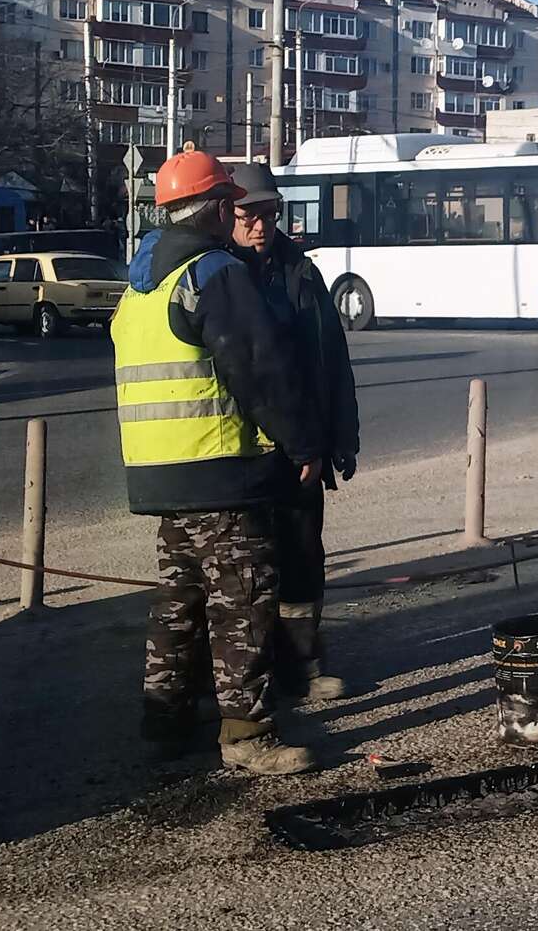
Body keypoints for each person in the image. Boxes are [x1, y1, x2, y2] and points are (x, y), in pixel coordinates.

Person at [112, 149, 324, 776]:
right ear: (217, 208)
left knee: (178, 601)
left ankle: (166, 720)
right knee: (242, 602)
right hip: (220, 471)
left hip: (158, 472)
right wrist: (303, 444)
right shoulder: (214, 274)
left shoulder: (140, 285)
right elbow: (259, 372)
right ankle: (248, 735)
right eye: (232, 202)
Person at [227, 162, 361, 704]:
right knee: (249, 567)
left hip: (304, 447)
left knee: (304, 556)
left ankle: (305, 663)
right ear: (227, 215)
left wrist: (340, 436)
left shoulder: (302, 271)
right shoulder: (218, 272)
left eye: (269, 213)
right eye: (249, 215)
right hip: (244, 450)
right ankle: (249, 674)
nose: (261, 225)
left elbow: (332, 358)